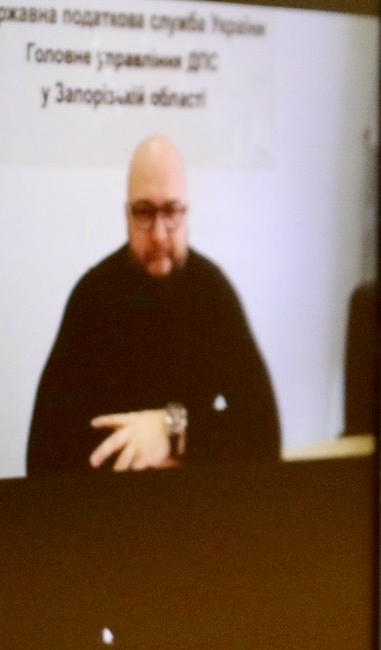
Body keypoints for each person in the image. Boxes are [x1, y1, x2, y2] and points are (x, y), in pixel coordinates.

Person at [26, 135, 280, 475]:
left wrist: (169, 430)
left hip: (194, 502)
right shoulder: (93, 297)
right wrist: (137, 448)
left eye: (171, 211)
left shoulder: (212, 292)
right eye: (145, 212)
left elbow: (265, 432)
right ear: (126, 215)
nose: (159, 234)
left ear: (187, 213)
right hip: (112, 501)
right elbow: (43, 452)